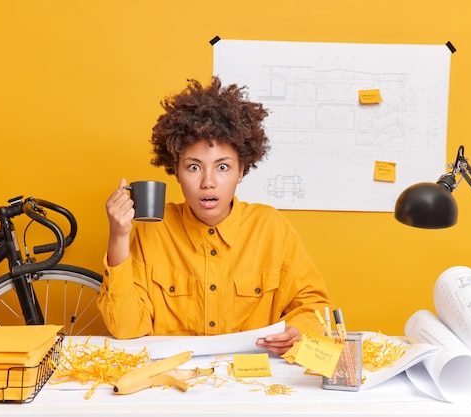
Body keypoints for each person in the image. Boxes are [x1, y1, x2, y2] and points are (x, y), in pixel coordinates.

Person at [97, 76, 333, 355]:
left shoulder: (271, 228)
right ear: (176, 171)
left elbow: (316, 309)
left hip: (252, 381)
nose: (208, 182)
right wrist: (119, 235)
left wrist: (299, 330)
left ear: (241, 170)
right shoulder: (154, 229)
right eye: (194, 168)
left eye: (222, 167)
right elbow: (125, 328)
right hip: (177, 381)